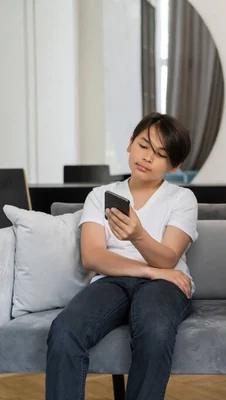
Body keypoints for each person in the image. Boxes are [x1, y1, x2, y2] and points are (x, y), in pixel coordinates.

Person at [46, 112, 198, 400]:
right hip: (113, 281)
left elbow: (167, 259)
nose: (147, 157)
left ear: (174, 165)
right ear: (130, 144)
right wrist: (150, 271)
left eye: (160, 154)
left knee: (154, 332)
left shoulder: (182, 199)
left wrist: (138, 236)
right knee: (66, 330)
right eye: (143, 145)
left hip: (165, 286)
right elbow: (92, 257)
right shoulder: (100, 195)